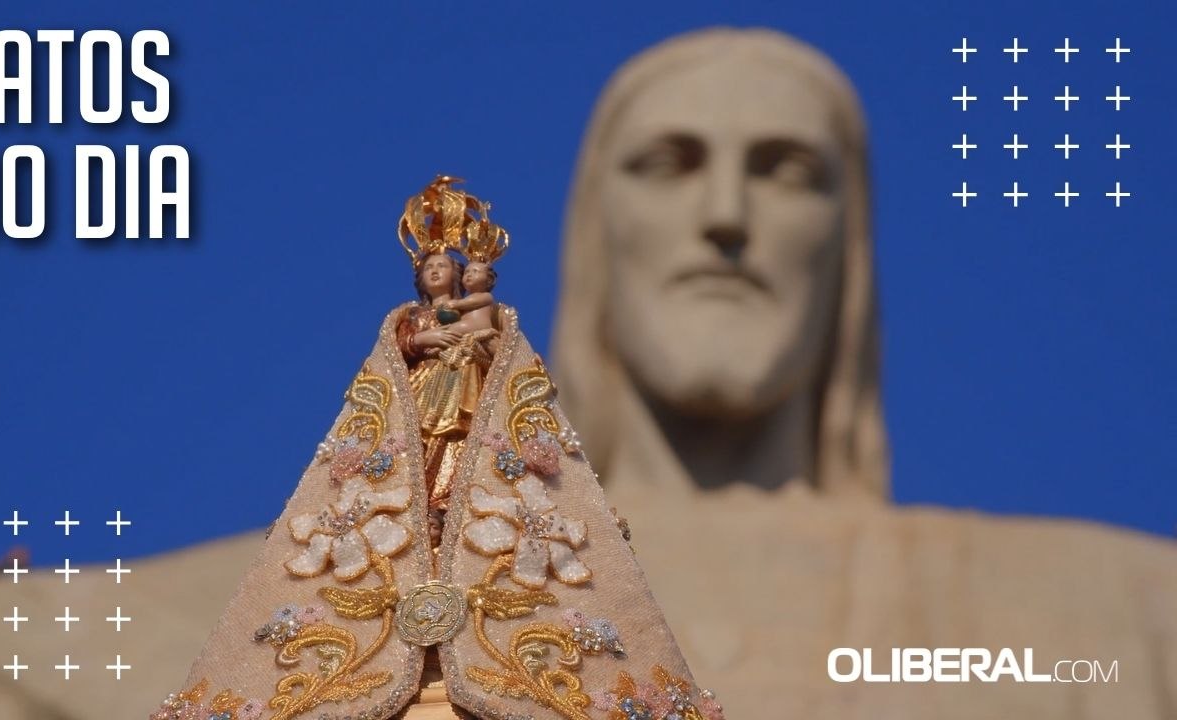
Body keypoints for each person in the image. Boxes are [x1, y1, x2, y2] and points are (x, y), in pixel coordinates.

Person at [552, 27, 1177, 719]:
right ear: (595, 233)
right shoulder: (469, 593)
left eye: (787, 173)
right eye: (669, 165)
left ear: (847, 249)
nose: (726, 214)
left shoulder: (1119, 611)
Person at [161, 177, 722, 720]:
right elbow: (404, 343)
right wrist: (434, 338)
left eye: (444, 268)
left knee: (459, 449)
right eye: (428, 270)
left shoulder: (483, 311)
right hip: (426, 393)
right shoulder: (414, 318)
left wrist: (479, 340)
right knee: (422, 453)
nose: (436, 274)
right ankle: (424, 521)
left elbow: (497, 343)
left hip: (467, 389)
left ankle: (448, 517)